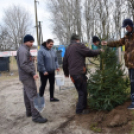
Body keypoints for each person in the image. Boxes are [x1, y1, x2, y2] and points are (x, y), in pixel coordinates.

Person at [63, 33, 103, 114]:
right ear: (77, 39)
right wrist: (100, 51)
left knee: (81, 91)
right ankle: (79, 110)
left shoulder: (68, 48)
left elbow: (64, 62)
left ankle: (84, 107)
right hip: (79, 73)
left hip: (73, 74)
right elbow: (90, 52)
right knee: (82, 92)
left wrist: (66, 73)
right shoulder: (79, 46)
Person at [17, 35, 48, 123]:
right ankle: (36, 116)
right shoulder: (23, 50)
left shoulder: (24, 49)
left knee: (27, 94)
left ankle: (29, 111)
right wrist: (33, 73)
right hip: (27, 76)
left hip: (24, 76)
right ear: (25, 41)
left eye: (32, 41)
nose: (32, 43)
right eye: (30, 42)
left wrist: (32, 59)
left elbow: (26, 61)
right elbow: (23, 64)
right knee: (33, 94)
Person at [105, 18, 134, 109]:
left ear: (130, 26)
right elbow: (118, 42)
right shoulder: (126, 36)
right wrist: (107, 43)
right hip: (130, 64)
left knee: (133, 83)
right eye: (125, 27)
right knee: (132, 82)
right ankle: (133, 99)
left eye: (127, 27)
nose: (126, 29)